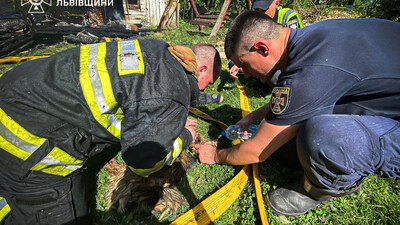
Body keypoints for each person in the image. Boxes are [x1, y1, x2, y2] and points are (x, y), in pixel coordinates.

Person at [196, 11, 400, 216]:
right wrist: (251, 117)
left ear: (261, 48)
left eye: (244, 65)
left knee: (324, 135)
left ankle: (319, 189)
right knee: (288, 144)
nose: (246, 74)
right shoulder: (311, 39)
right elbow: (303, 98)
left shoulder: (311, 69)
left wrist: (215, 155)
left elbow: (257, 151)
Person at [0, 39, 221, 225]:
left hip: (20, 90)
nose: (202, 90)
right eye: (207, 83)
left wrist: (165, 121)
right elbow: (144, 163)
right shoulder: (170, 90)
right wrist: (184, 137)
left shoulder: (155, 49)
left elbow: (138, 97)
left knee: (77, 206)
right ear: (200, 69)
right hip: (24, 139)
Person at [229, 0, 304, 86]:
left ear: (276, 3)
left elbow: (291, 51)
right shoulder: (256, 21)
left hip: (287, 61)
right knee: (234, 62)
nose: (260, 13)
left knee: (271, 75)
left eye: (263, 9)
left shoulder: (288, 16)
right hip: (265, 58)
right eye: (257, 10)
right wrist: (241, 63)